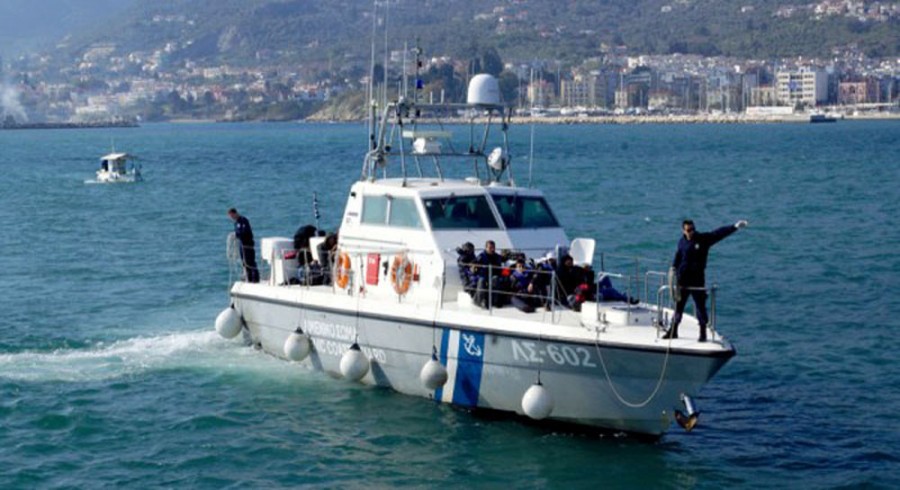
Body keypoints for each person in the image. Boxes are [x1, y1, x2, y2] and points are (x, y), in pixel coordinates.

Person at [664, 219, 748, 341]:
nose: (691, 232)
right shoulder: (681, 242)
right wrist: (673, 267)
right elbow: (678, 255)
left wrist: (735, 227)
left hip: (697, 279)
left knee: (700, 306)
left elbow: (718, 234)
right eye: (689, 230)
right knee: (679, 305)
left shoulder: (702, 239)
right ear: (683, 231)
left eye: (693, 229)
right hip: (683, 280)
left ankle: (703, 332)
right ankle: (673, 330)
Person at [228, 208, 259, 283]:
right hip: (241, 245)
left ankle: (255, 279)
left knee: (250, 261)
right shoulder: (236, 223)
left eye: (232, 216)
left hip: (247, 245)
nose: (232, 218)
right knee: (244, 262)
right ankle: (249, 278)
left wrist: (237, 234)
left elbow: (245, 232)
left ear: (235, 213)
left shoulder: (243, 220)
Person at [474, 240, 505, 308]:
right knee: (482, 280)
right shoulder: (481, 256)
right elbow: (474, 264)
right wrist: (474, 269)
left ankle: (495, 301)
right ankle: (480, 301)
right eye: (490, 247)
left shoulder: (497, 256)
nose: (492, 249)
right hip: (483, 275)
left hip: (493, 275)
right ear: (486, 248)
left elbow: (504, 259)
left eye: (493, 247)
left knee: (496, 279)